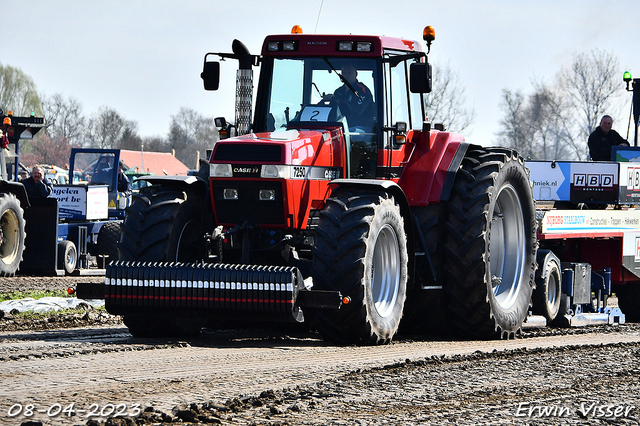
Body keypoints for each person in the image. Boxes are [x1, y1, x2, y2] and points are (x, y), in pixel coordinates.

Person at [323, 64, 376, 131]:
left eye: (349, 73)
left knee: (347, 135)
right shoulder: (338, 91)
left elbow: (357, 111)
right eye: (344, 73)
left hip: (362, 127)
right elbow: (333, 112)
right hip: (341, 127)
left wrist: (340, 103)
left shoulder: (363, 90)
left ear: (356, 74)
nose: (346, 75)